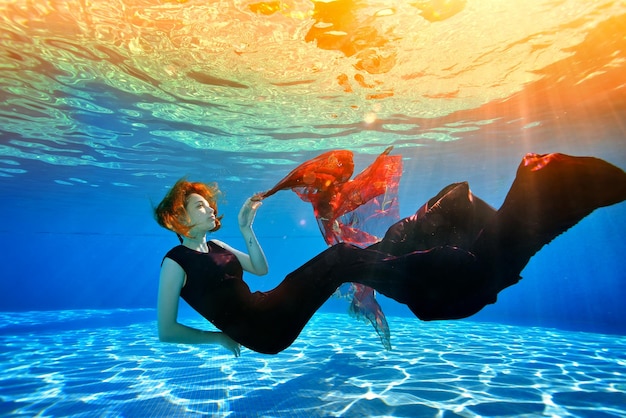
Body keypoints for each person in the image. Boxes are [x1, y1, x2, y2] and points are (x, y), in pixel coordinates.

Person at [155, 151, 626, 355]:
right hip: (262, 328)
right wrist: (217, 338)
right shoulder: (175, 263)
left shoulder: (216, 245)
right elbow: (167, 330)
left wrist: (244, 229)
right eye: (201, 205)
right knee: (343, 258)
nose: (210, 208)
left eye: (210, 204)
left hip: (269, 306)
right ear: (178, 216)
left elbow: (258, 269)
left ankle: (451, 217)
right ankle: (461, 259)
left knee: (352, 255)